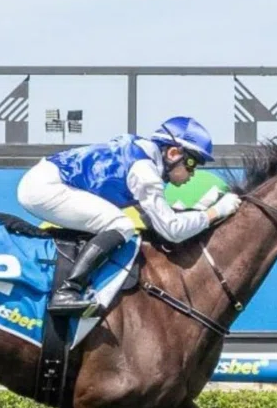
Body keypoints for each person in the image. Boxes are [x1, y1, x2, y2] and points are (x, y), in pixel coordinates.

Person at [16, 116, 243, 316]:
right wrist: (217, 211)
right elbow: (172, 231)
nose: (193, 174)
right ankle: (68, 291)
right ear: (173, 153)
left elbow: (155, 221)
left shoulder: (144, 157)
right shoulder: (145, 172)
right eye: (192, 163)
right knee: (121, 225)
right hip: (45, 187)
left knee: (115, 224)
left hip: (47, 180)